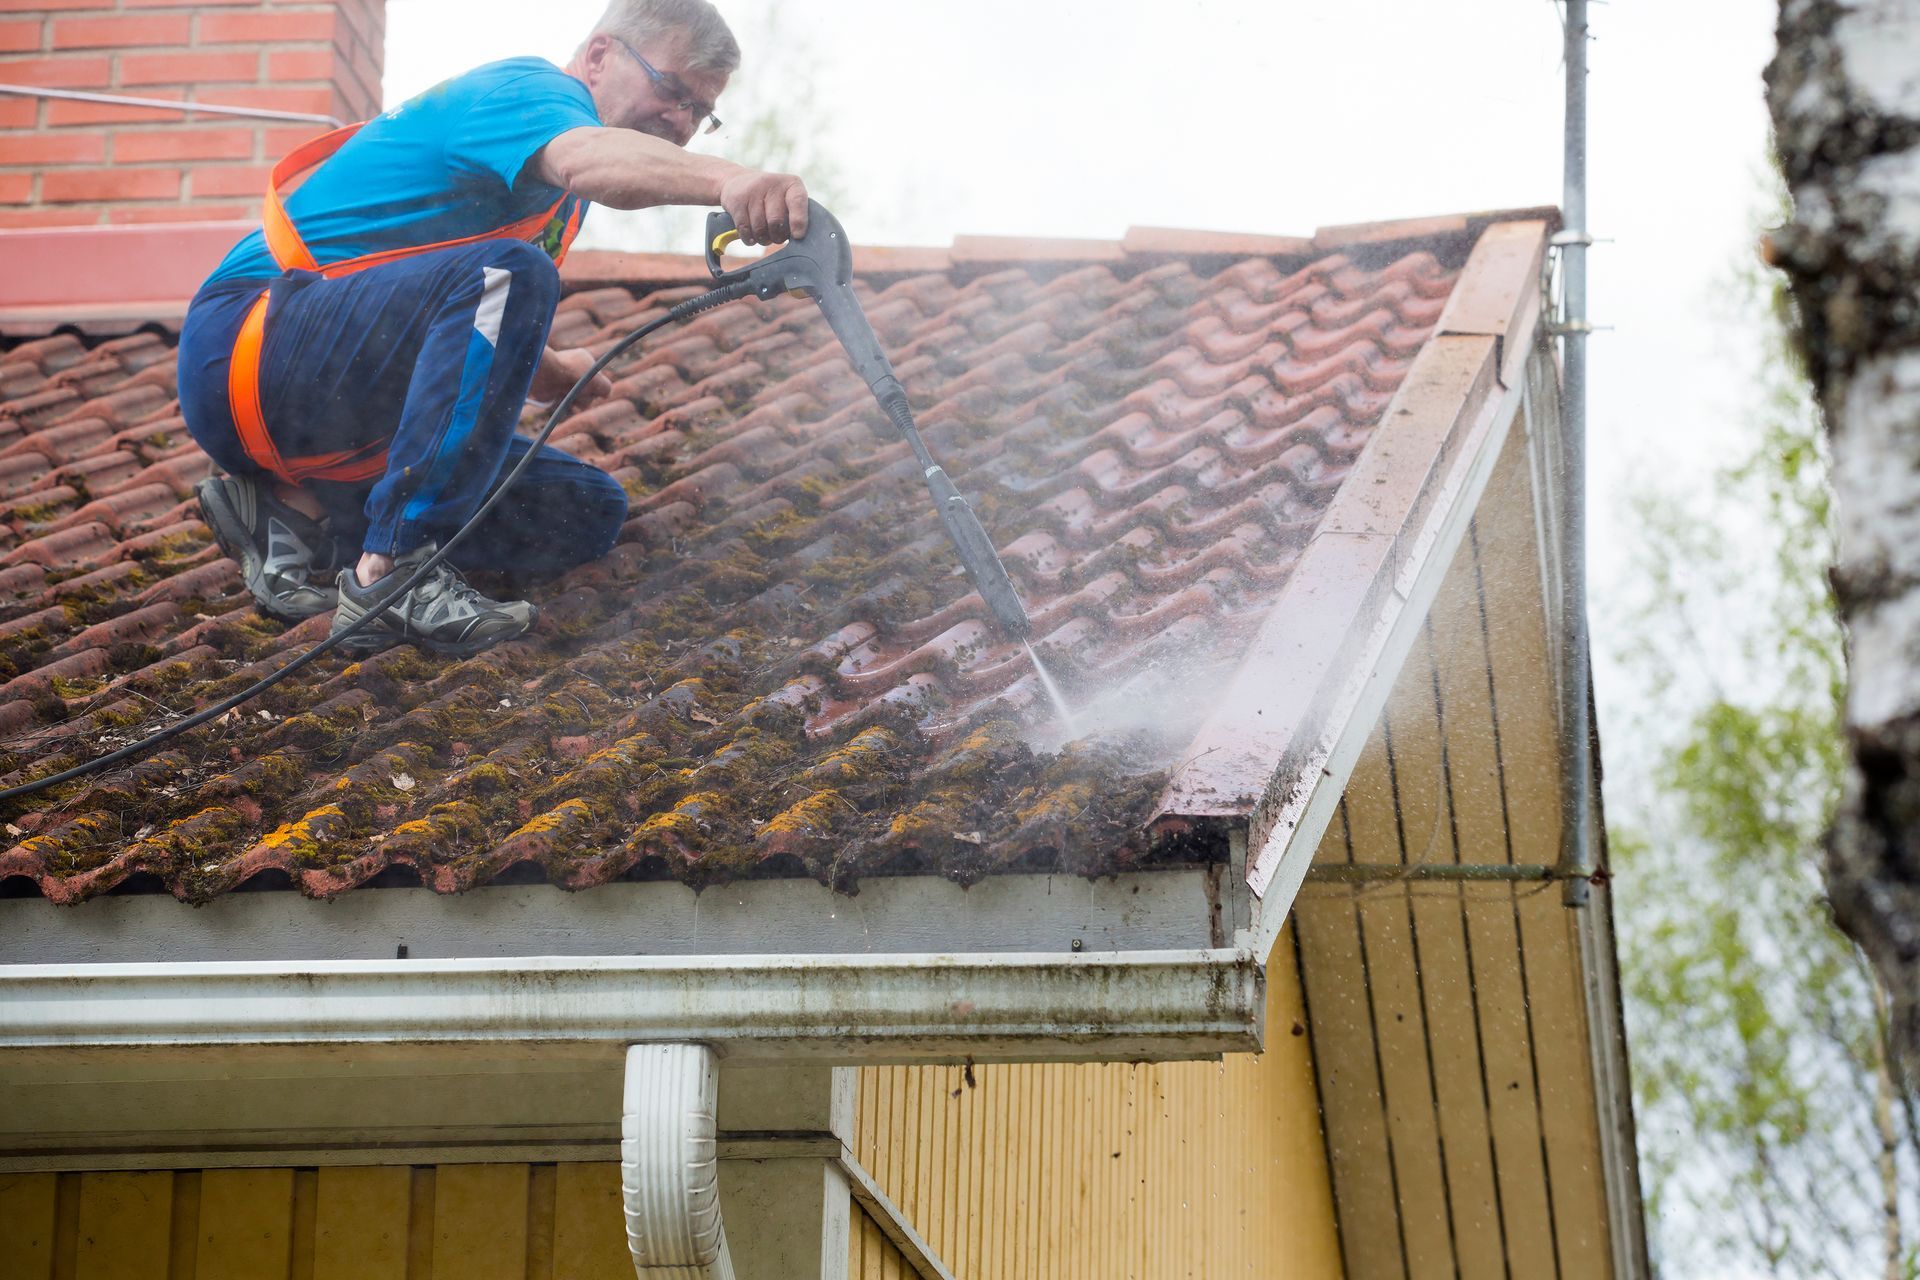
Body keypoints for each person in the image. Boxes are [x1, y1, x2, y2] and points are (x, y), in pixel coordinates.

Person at [176, 0, 807, 657]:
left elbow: (463, 327)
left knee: (584, 512)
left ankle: (286, 517)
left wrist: (554, 367)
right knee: (514, 272)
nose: (680, 122)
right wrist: (735, 180)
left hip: (334, 412)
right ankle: (394, 572)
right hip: (246, 345)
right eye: (672, 89)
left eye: (700, 113)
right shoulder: (529, 93)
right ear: (599, 57)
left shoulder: (557, 207)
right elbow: (579, 171)